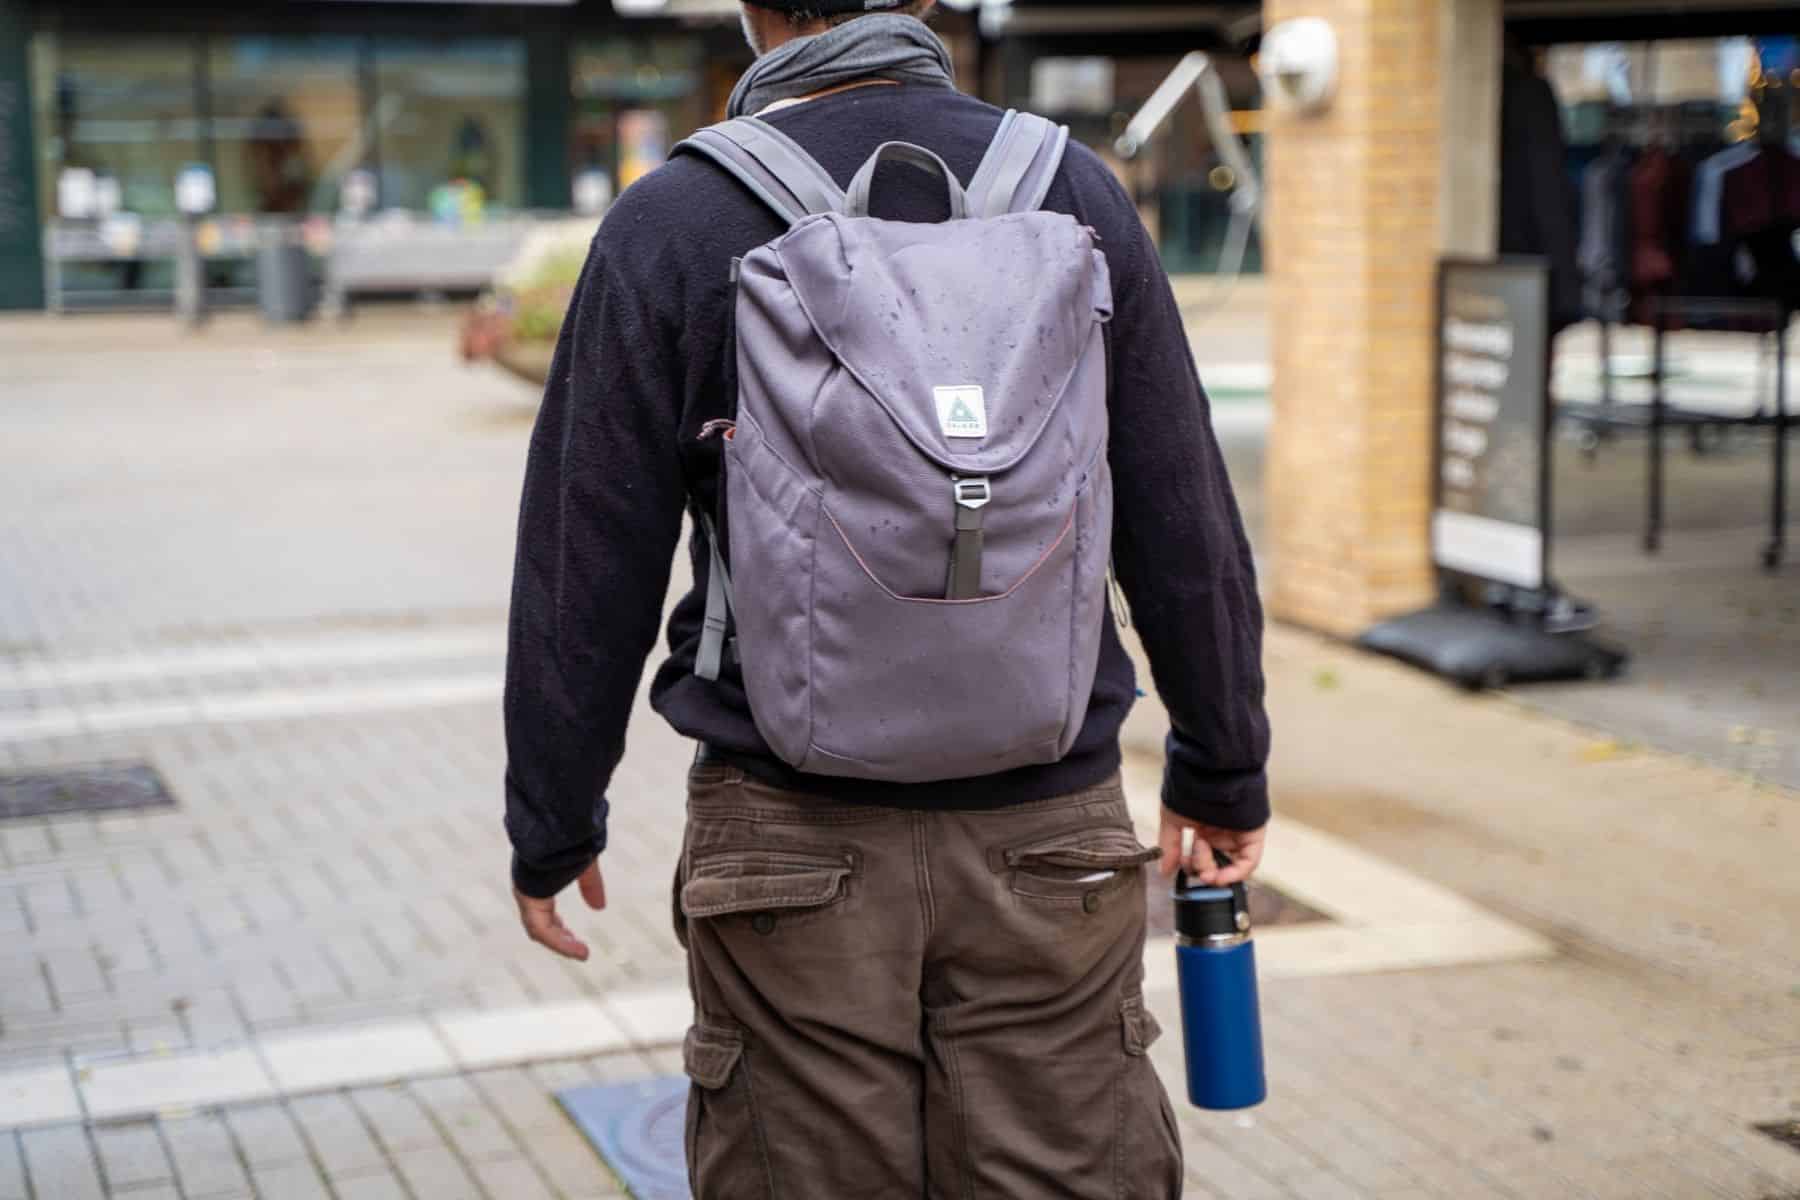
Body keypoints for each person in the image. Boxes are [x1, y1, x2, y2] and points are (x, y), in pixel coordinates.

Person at [503, 3, 1270, 1195]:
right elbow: (1182, 511)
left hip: (787, 836)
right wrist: (1222, 768)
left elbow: (580, 556)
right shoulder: (1071, 191)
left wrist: (553, 821)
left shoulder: (675, 221)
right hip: (1048, 831)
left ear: (753, 8)